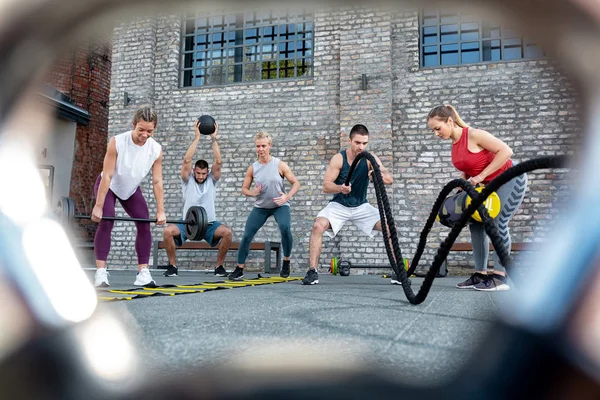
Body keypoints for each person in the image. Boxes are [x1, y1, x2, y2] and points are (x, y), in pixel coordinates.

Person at [427, 104, 528, 291]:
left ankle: (500, 276)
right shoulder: (455, 143)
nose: (436, 133)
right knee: (476, 224)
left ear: (450, 121)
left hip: (510, 178)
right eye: (433, 130)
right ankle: (480, 273)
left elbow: (506, 151)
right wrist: (463, 181)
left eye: (437, 128)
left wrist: (480, 177)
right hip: (487, 186)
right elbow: (470, 166)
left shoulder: (473, 134)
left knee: (498, 223)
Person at [303, 124, 394, 285]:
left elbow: (389, 178)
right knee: (318, 226)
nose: (361, 147)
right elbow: (325, 186)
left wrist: (377, 174)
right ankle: (312, 271)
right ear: (350, 140)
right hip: (339, 205)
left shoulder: (369, 158)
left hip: (361, 206)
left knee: (389, 227)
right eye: (357, 143)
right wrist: (340, 188)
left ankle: (398, 271)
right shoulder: (339, 158)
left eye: (364, 143)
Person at [92, 105, 166, 288]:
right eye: (141, 129)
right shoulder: (117, 142)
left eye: (150, 131)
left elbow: (157, 182)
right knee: (107, 221)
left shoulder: (156, 149)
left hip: (131, 189)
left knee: (144, 223)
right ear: (133, 125)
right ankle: (101, 273)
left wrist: (161, 211)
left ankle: (143, 273)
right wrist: (99, 206)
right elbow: (108, 175)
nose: (145, 135)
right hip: (108, 186)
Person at [162, 119, 233, 278]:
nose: (200, 177)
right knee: (167, 231)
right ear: (194, 171)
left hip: (208, 225)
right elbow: (187, 160)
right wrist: (197, 138)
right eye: (198, 173)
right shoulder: (187, 180)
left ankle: (218, 267)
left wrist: (213, 138)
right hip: (188, 224)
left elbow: (218, 161)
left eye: (203, 174)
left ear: (207, 172)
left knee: (227, 232)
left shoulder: (211, 180)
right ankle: (173, 266)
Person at [228, 131, 300, 281]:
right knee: (247, 235)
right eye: (258, 146)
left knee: (285, 228)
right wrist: (252, 192)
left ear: (269, 146)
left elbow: (296, 183)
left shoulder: (279, 164)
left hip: (280, 205)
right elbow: (244, 189)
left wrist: (287, 196)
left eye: (263, 146)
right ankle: (239, 268)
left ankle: (286, 261)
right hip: (261, 207)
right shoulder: (253, 168)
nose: (260, 149)